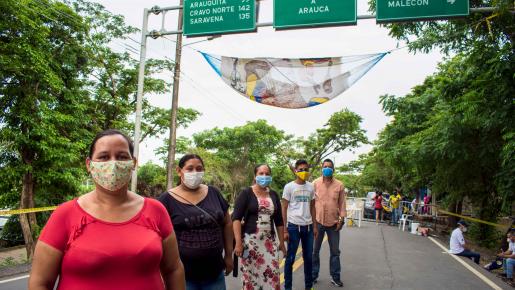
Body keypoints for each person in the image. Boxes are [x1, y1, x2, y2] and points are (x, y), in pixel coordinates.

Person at [29, 129, 185, 290]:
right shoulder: (65, 215)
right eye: (104, 157)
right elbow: (40, 282)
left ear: (134, 163)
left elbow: (173, 269)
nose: (113, 164)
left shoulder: (155, 210)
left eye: (122, 157)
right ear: (89, 165)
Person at [158, 154, 233, 290]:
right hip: (183, 277)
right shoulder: (166, 200)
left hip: (215, 274)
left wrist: (228, 256)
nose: (195, 173)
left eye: (199, 169)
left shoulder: (214, 193)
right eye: (190, 169)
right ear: (179, 171)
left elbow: (227, 223)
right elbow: (159, 236)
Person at [232, 164, 286, 290]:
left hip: (269, 243)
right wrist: (238, 243)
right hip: (250, 244)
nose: (264, 176)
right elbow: (236, 219)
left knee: (273, 277)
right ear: (255, 176)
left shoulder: (273, 194)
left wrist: (282, 243)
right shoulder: (246, 193)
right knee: (251, 279)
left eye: (267, 174)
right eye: (261, 173)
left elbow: (279, 221)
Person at [282, 159, 318, 290]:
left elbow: (313, 207)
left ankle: (309, 286)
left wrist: (314, 226)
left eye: (306, 169)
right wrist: (285, 230)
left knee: (308, 258)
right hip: (293, 227)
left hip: (308, 227)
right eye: (301, 169)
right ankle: (288, 287)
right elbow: (284, 207)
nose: (303, 172)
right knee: (290, 258)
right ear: (295, 171)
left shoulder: (311, 187)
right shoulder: (289, 187)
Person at [312, 159, 346, 287]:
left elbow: (342, 203)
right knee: (314, 251)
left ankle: (335, 277)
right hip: (317, 222)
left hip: (333, 224)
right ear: (321, 168)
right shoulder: (314, 183)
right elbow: (311, 204)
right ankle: (313, 275)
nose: (327, 168)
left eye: (330, 167)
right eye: (325, 166)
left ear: (333, 169)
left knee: (335, 252)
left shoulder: (339, 185)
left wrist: (341, 219)